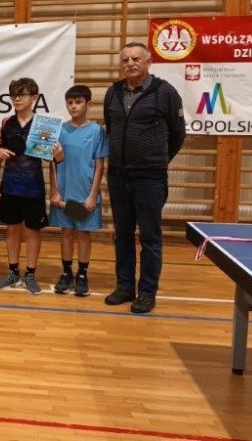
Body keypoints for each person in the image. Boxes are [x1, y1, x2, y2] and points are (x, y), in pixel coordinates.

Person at [103, 42, 186, 314]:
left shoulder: (165, 92)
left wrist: (157, 161)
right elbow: (112, 128)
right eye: (125, 59)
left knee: (150, 238)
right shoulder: (113, 93)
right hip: (118, 176)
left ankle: (147, 292)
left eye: (136, 59)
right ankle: (125, 287)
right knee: (122, 235)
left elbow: (178, 134)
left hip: (150, 179)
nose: (130, 63)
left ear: (149, 62)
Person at [0, 77, 60, 295]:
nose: (16, 99)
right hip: (10, 186)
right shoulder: (7, 122)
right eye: (13, 95)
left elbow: (52, 159)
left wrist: (56, 156)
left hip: (33, 187)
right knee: (12, 230)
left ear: (34, 97)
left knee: (32, 232)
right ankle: (13, 272)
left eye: (21, 95)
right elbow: (0, 148)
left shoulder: (43, 125)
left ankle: (30, 273)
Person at [48, 85, 107, 297]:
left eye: (78, 102)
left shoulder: (97, 131)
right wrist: (54, 191)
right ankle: (66, 272)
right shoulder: (59, 130)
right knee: (65, 232)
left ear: (88, 104)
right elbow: (52, 163)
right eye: (70, 102)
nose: (73, 106)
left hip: (85, 194)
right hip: (64, 193)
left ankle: (82, 274)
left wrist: (92, 195)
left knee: (83, 234)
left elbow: (100, 165)